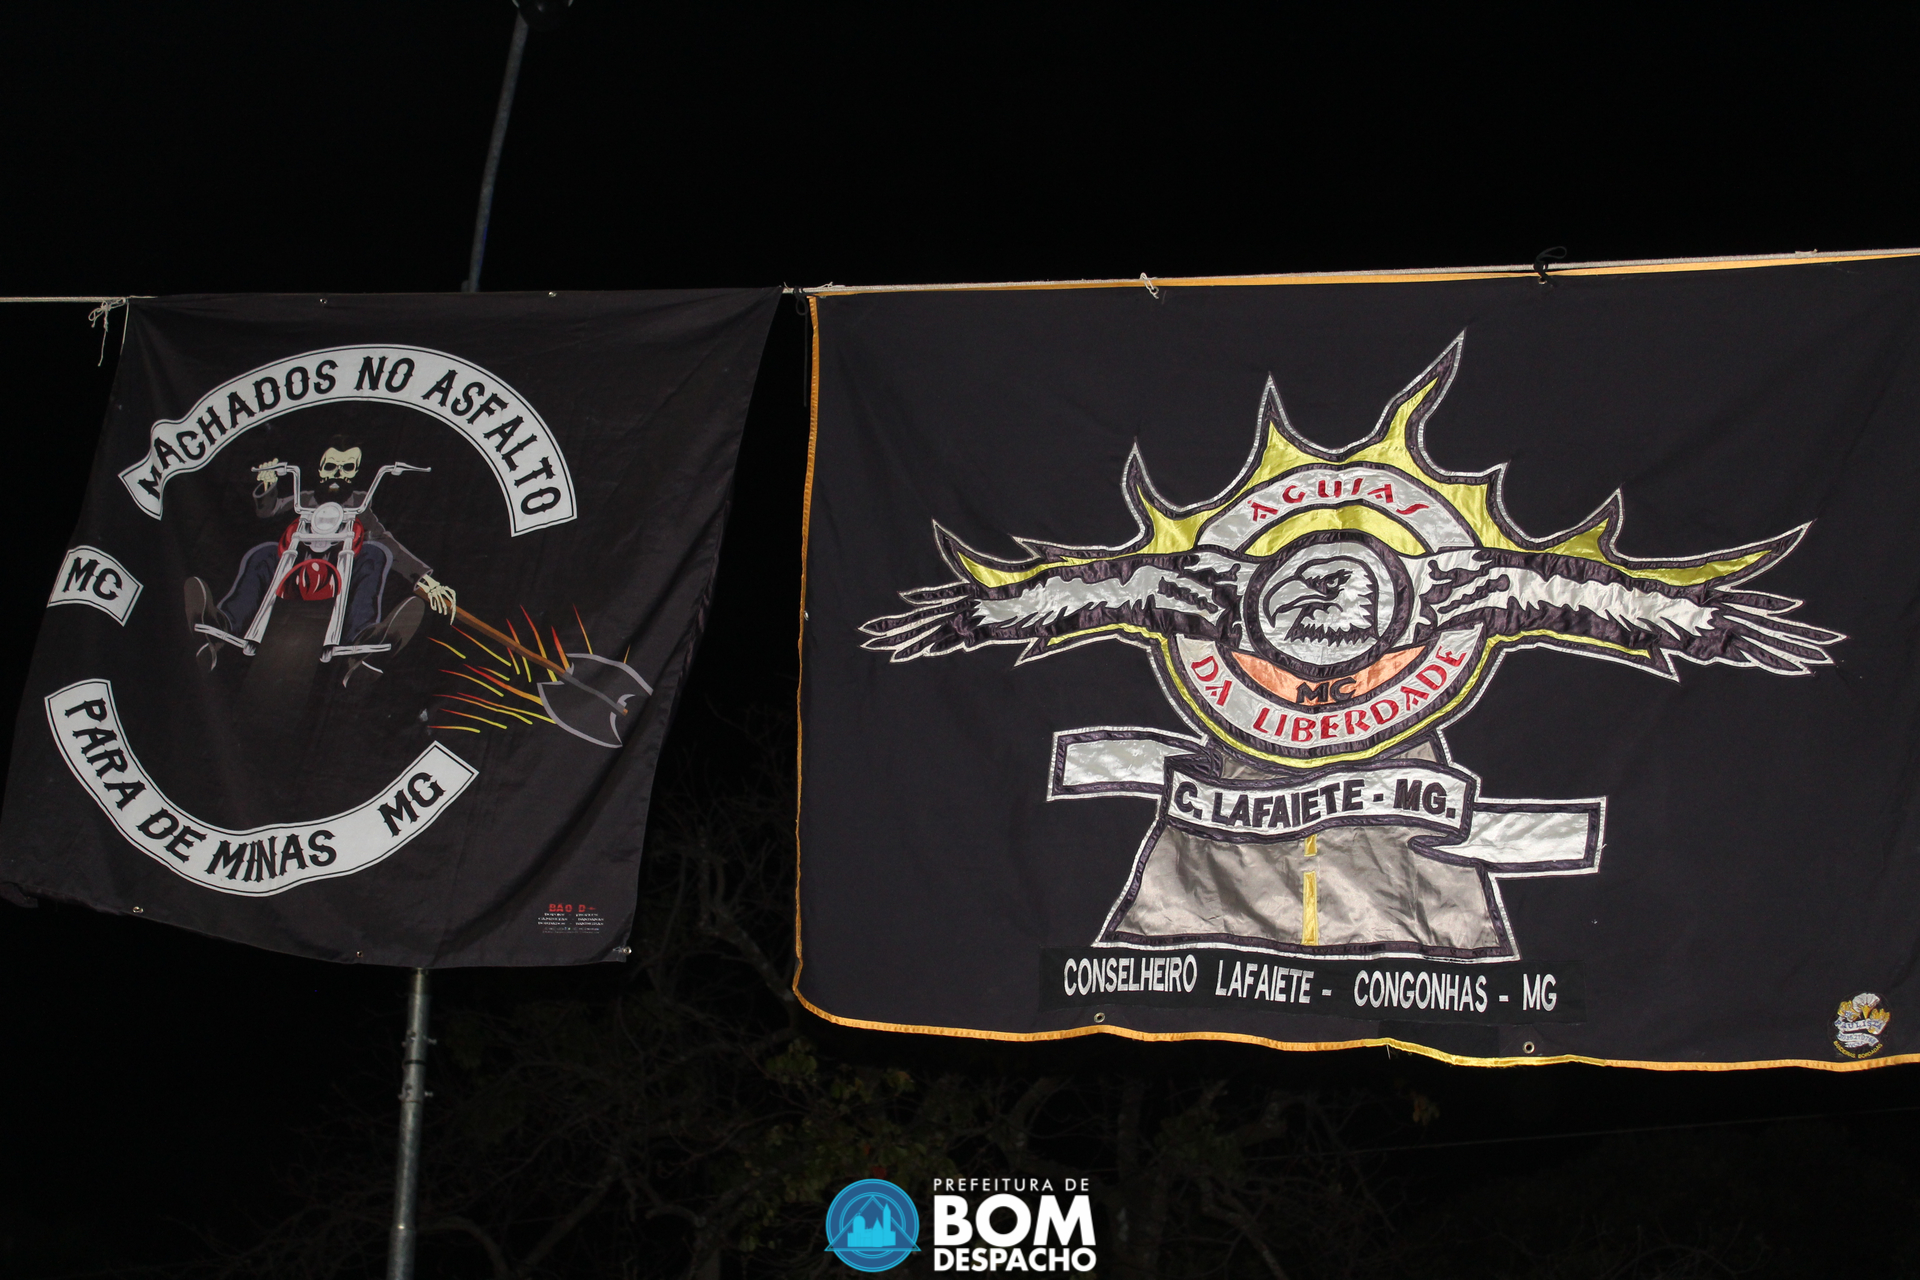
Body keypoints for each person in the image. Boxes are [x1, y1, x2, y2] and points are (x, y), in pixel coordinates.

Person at [184, 437, 456, 681]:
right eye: (331, 467)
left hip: (344, 565)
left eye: (347, 468)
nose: (337, 474)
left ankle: (363, 640)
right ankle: (219, 628)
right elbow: (269, 510)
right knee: (263, 552)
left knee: (376, 552)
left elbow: (386, 540)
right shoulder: (304, 498)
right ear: (319, 469)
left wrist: (424, 578)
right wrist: (268, 486)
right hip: (297, 561)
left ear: (357, 472)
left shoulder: (361, 503)